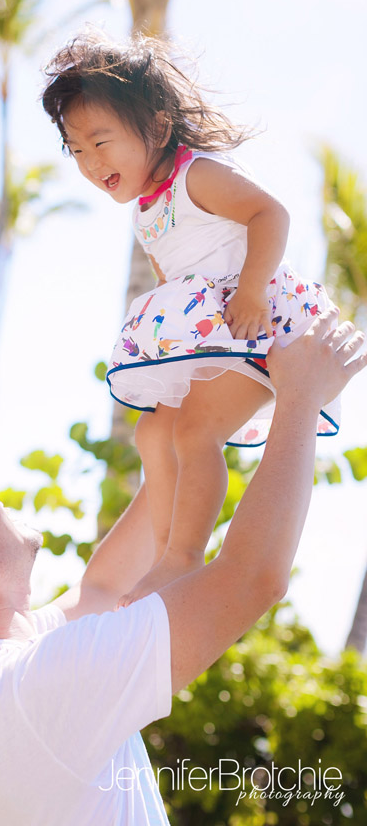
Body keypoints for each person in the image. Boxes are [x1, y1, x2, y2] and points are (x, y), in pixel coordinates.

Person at [0, 309, 366, 826]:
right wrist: (300, 399)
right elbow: (251, 578)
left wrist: (187, 437)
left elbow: (103, 587)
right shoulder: (25, 692)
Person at [41, 31, 343, 606]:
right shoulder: (145, 211)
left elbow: (269, 213)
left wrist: (250, 290)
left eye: (101, 141)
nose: (91, 162)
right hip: (215, 335)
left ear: (157, 127)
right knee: (152, 431)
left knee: (194, 431)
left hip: (258, 325)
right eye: (76, 150)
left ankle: (183, 557)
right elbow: (174, 288)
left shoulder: (195, 175)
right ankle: (166, 556)